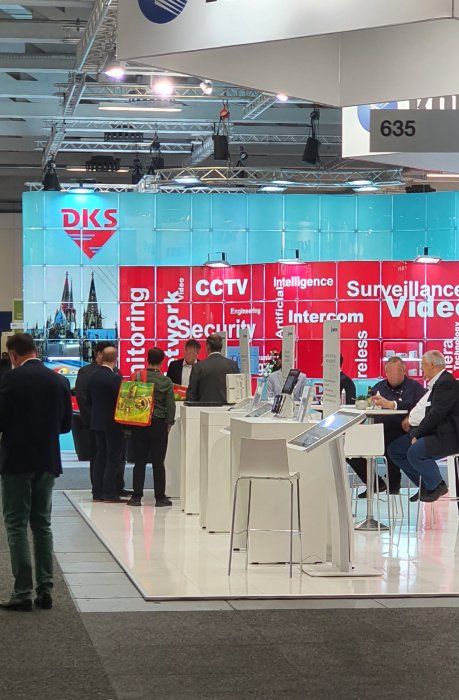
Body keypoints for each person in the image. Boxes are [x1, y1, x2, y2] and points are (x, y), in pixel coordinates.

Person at [0, 333, 72, 611]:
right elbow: (65, 425)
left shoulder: (10, 379)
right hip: (47, 460)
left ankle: (23, 592)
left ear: (13, 355)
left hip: (17, 461)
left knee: (16, 524)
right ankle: (45, 589)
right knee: (42, 524)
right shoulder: (59, 381)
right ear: (35, 350)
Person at [348, 356, 426, 497]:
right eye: (392, 372)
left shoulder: (415, 387)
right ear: (386, 372)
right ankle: (375, 483)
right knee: (349, 449)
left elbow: (422, 408)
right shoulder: (378, 387)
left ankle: (394, 484)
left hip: (402, 431)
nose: (395, 376)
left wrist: (406, 415)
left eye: (399, 372)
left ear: (404, 371)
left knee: (391, 443)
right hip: (377, 430)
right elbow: (368, 405)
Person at [388, 351, 458, 503]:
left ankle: (437, 485)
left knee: (415, 452)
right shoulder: (436, 383)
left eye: (423, 365)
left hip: (444, 435)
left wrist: (418, 434)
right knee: (395, 450)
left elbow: (437, 414)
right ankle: (425, 484)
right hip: (428, 430)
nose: (421, 369)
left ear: (432, 365)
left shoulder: (446, 383)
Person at [128, 347, 176, 507]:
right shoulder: (166, 381)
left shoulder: (137, 376)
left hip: (140, 423)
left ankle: (136, 497)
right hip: (158, 424)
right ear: (162, 362)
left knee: (139, 461)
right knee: (158, 462)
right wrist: (169, 423)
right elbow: (171, 405)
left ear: (147, 359)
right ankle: (160, 498)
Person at [75, 341, 117, 488]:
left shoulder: (115, 372)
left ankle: (116, 485)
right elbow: (82, 397)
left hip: (110, 422)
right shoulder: (86, 372)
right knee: (98, 454)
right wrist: (91, 417)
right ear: (99, 354)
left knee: (113, 455)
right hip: (94, 421)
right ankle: (99, 486)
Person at [87, 346, 125, 503]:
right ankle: (109, 492)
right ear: (115, 359)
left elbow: (89, 399)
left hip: (96, 422)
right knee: (113, 457)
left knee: (100, 456)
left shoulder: (92, 376)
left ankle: (97, 492)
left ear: (102, 357)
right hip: (112, 423)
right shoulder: (115, 378)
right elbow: (120, 401)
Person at [186, 333, 239, 403]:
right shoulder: (233, 365)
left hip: (203, 408)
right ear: (221, 347)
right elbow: (238, 392)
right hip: (228, 409)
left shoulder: (198, 367)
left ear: (208, 346)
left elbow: (191, 396)